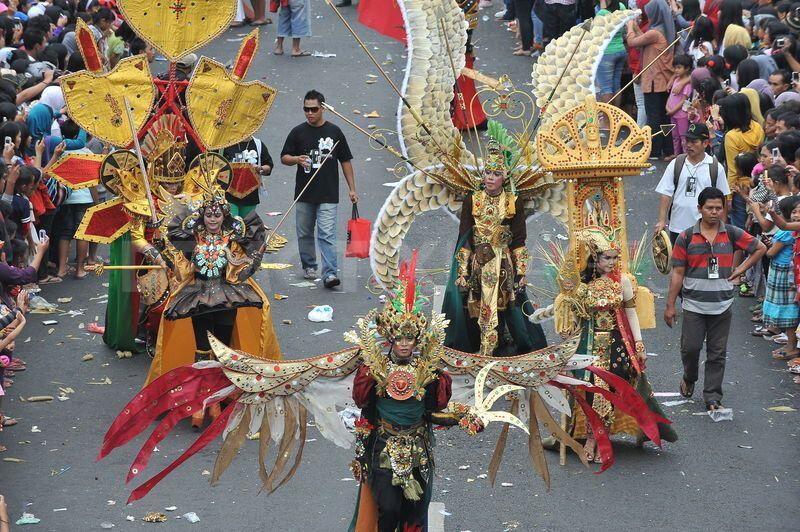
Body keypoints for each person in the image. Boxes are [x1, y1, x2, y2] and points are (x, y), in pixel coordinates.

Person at [146, 158, 282, 425]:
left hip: (227, 298)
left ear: (224, 217)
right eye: (208, 215)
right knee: (200, 350)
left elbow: (240, 272)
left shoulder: (233, 240)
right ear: (202, 217)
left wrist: (253, 259)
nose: (212, 220)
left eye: (217, 215)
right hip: (196, 297)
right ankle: (199, 402)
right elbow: (184, 270)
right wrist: (165, 251)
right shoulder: (191, 239)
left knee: (222, 351)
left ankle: (218, 400)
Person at [555, 218, 677, 462]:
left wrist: (639, 345)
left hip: (615, 345)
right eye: (606, 258)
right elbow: (567, 289)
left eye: (614, 257)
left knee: (610, 391)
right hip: (587, 344)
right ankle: (591, 437)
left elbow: (630, 312)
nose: (611, 262)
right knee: (588, 391)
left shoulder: (623, 282)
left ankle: (601, 439)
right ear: (595, 258)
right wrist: (575, 247)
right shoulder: (583, 283)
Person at [442, 139, 547, 356]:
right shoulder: (473, 199)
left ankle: (504, 345)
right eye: (487, 172)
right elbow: (465, 237)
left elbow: (519, 240)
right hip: (477, 262)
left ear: (505, 177)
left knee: (507, 304)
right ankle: (474, 346)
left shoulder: (512, 202)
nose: (490, 177)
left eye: (495, 173)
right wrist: (462, 270)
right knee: (473, 304)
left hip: (502, 261)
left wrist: (521, 272)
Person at [665, 186, 766, 411]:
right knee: (690, 348)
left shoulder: (731, 233)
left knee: (717, 353)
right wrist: (670, 305)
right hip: (693, 304)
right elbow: (678, 273)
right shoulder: (686, 237)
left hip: (722, 305)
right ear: (699, 209)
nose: (714, 212)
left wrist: (740, 269)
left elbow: (759, 248)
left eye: (718, 208)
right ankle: (689, 377)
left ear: (724, 209)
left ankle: (712, 396)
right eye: (709, 208)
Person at [280, 90, 358, 289]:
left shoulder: (335, 132)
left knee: (326, 234)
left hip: (328, 194)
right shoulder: (298, 132)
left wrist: (352, 189)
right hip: (304, 193)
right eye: (306, 109)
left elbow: (346, 161)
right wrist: (296, 159)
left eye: (314, 109)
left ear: (323, 108)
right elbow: (284, 157)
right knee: (304, 232)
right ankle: (309, 266)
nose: (309, 113)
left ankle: (330, 273)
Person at [655, 123, 729, 243]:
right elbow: (665, 193)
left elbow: (723, 197)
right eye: (687, 140)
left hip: (705, 228)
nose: (688, 145)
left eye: (694, 142)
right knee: (679, 261)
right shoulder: (676, 163)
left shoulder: (715, 167)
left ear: (705, 143)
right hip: (677, 226)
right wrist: (662, 220)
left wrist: (723, 225)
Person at [747, 195, 800, 360]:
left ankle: (792, 346)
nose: (797, 215)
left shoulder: (787, 232)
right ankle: (791, 345)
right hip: (794, 275)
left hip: (788, 275)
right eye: (794, 212)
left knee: (789, 310)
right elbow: (783, 225)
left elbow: (771, 252)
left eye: (799, 212)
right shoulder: (791, 230)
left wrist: (765, 211)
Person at [626, 0, 676, 159]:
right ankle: (668, 149)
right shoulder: (662, 30)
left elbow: (633, 42)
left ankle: (655, 151)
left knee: (654, 117)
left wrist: (629, 27)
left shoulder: (655, 33)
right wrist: (635, 28)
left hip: (654, 82)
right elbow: (643, 41)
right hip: (663, 81)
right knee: (663, 116)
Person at [718, 93, 765, 228]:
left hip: (739, 188)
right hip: (755, 182)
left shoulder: (732, 136)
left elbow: (732, 169)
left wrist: (729, 198)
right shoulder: (757, 127)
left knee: (739, 229)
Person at [222, 136, 273, 218]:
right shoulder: (225, 143)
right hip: (228, 195)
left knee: (247, 226)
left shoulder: (258, 144)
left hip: (250, 195)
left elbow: (269, 166)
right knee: (233, 224)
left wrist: (260, 168)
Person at [666, 54, 694, 158]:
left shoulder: (687, 84)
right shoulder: (676, 80)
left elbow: (683, 100)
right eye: (675, 67)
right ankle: (677, 154)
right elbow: (671, 96)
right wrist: (667, 107)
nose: (676, 70)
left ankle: (685, 156)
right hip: (673, 112)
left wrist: (672, 110)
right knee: (675, 136)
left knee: (683, 136)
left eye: (679, 67)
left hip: (681, 114)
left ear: (687, 68)